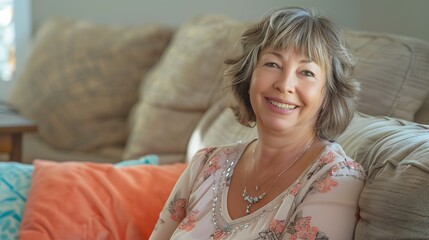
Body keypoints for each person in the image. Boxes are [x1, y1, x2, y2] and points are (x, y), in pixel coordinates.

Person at [150, 6, 366, 240]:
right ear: (249, 76)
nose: (285, 84)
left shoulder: (335, 178)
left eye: (306, 72)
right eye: (273, 64)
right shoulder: (205, 164)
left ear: (328, 94)